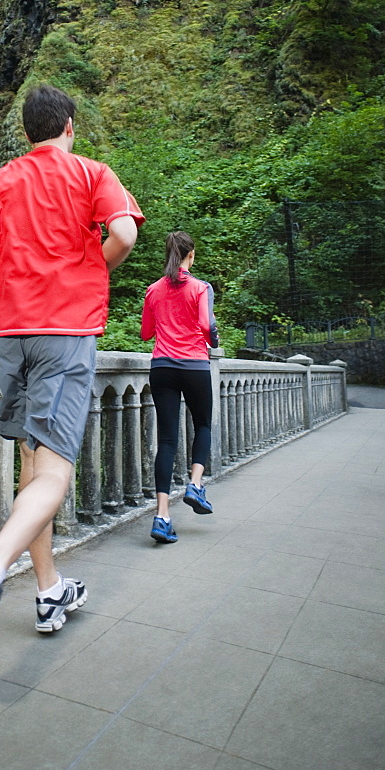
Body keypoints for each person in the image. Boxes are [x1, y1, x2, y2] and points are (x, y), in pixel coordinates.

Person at [0, 83, 144, 679]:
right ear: (70, 126)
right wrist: (88, 270)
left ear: (27, 133)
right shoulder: (90, 172)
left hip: (9, 334)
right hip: (64, 332)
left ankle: (50, 588)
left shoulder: (1, 178)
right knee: (55, 473)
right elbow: (125, 233)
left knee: (33, 465)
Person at [140, 231, 219, 544]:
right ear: (191, 255)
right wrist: (213, 341)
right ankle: (195, 484)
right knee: (202, 425)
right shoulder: (201, 287)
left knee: (167, 440)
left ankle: (162, 516)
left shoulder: (153, 290)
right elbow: (206, 326)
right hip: (195, 365)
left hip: (162, 368)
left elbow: (147, 333)